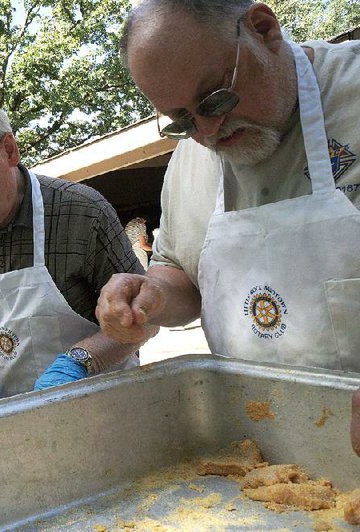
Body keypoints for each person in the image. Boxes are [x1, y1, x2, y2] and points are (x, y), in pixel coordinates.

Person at [95, 1, 360, 448]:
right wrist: (153, 294)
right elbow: (182, 273)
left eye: (214, 97)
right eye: (181, 120)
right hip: (256, 448)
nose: (209, 130)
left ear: (262, 28)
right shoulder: (188, 161)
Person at [0, 94, 144, 399]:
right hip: (12, 414)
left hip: (102, 405)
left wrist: (80, 361)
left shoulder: (81, 212)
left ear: (10, 150)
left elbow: (142, 319)